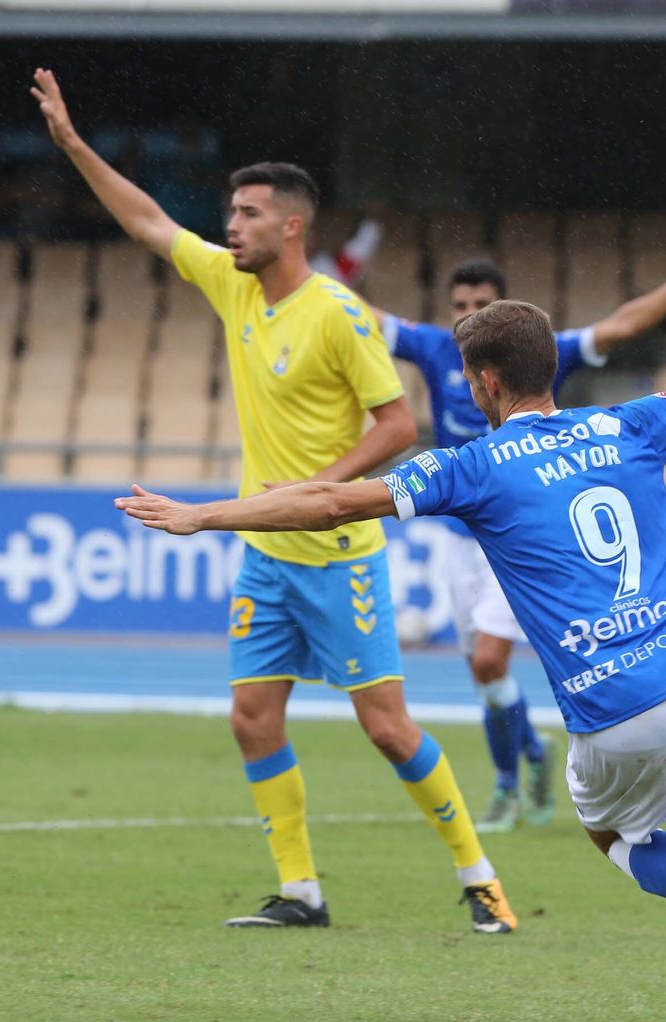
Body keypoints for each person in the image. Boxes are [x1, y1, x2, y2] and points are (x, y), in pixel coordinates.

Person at [117, 241, 666, 1022]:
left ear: (486, 384)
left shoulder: (475, 465)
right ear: (546, 369)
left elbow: (336, 500)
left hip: (616, 700)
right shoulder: (627, 422)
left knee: (616, 838)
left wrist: (206, 515)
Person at [32, 66, 516, 933]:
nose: (231, 226)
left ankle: (481, 879)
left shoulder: (339, 315)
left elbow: (399, 422)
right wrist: (73, 146)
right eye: (231, 214)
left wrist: (322, 488)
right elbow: (146, 221)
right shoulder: (231, 284)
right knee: (252, 716)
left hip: (336, 554)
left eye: (248, 214)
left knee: (388, 729)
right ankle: (300, 890)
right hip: (267, 554)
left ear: (291, 226)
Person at [374, 249, 666, 832]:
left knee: (490, 659)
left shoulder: (532, 357)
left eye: (480, 305)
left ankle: (513, 785)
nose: (467, 314)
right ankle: (527, 761)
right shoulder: (437, 348)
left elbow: (623, 326)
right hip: (461, 541)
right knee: (483, 674)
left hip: (519, 539)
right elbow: (359, 316)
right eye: (460, 305)